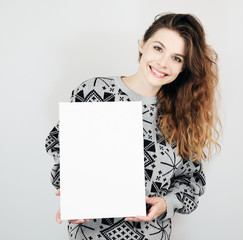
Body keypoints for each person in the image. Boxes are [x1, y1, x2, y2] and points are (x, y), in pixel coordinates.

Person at [45, 13, 220, 240]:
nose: (163, 63)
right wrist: (72, 195)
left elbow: (192, 181)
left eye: (177, 58)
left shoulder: (183, 115)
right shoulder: (94, 91)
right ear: (142, 45)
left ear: (183, 68)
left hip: (150, 234)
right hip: (91, 233)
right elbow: (59, 145)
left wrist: (166, 203)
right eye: (158, 48)